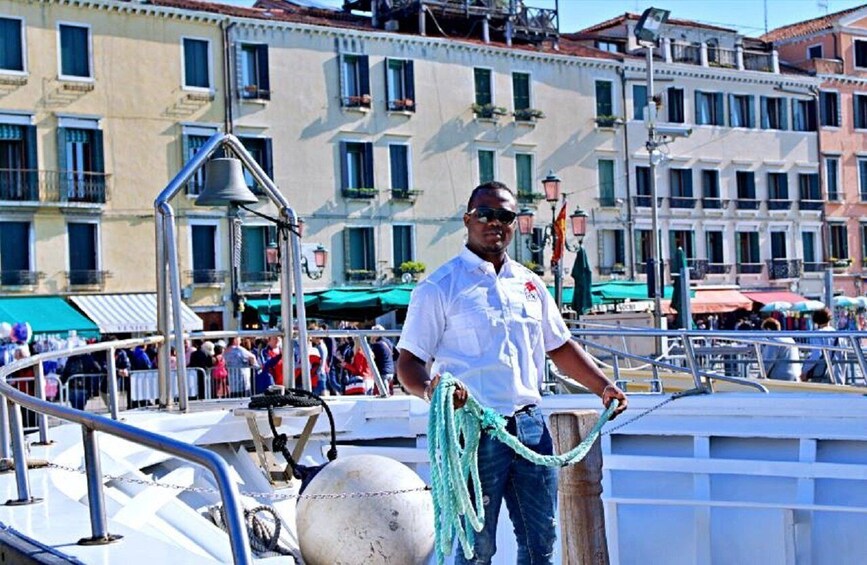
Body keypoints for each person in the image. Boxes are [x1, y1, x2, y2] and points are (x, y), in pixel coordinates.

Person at [396, 181, 628, 564]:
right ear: (467, 220)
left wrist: (603, 386)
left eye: (505, 216)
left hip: (531, 428)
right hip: (473, 432)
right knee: (476, 549)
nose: (495, 222)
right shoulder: (439, 287)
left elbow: (560, 346)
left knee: (541, 543)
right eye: (485, 214)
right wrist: (431, 392)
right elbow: (408, 362)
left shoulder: (530, 284)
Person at [800, 308, 838, 383]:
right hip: (836, 370)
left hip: (821, 372)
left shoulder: (817, 334)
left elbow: (816, 355)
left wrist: (804, 371)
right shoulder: (837, 333)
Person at [369, 324, 395, 394]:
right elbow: (396, 355)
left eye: (372, 332)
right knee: (390, 394)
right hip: (391, 371)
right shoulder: (389, 342)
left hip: (382, 372)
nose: (371, 334)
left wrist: (371, 343)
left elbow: (371, 357)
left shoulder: (377, 345)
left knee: (384, 394)